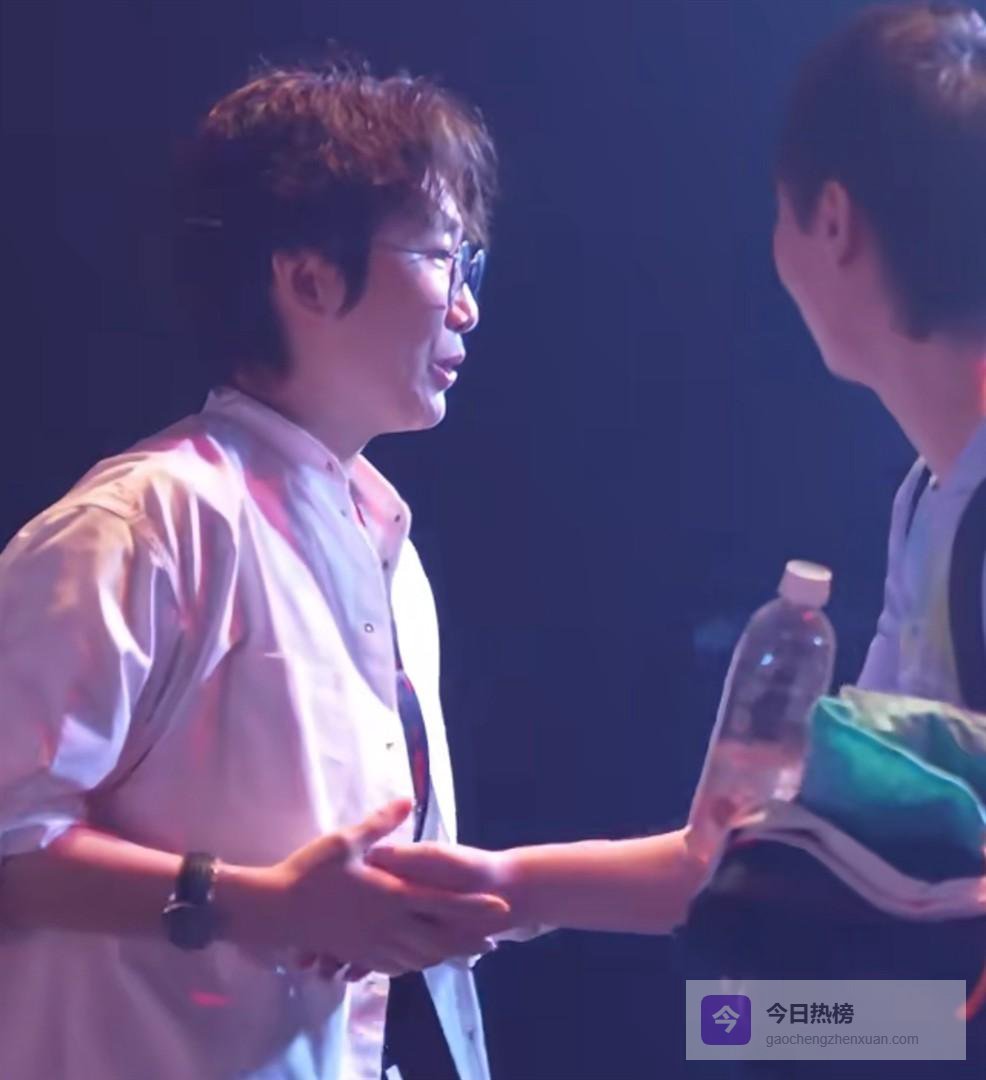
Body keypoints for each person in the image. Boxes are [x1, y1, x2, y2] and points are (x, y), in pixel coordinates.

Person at [366, 0, 986, 1028]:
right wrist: (505, 888)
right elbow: (802, 853)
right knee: (743, 1029)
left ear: (832, 222)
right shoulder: (929, 497)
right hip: (931, 1027)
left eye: (779, 210)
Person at [0, 59, 512, 1080]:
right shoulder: (144, 523)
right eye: (440, 257)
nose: (465, 308)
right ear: (307, 277)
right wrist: (259, 904)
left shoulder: (388, 548)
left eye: (472, 264)